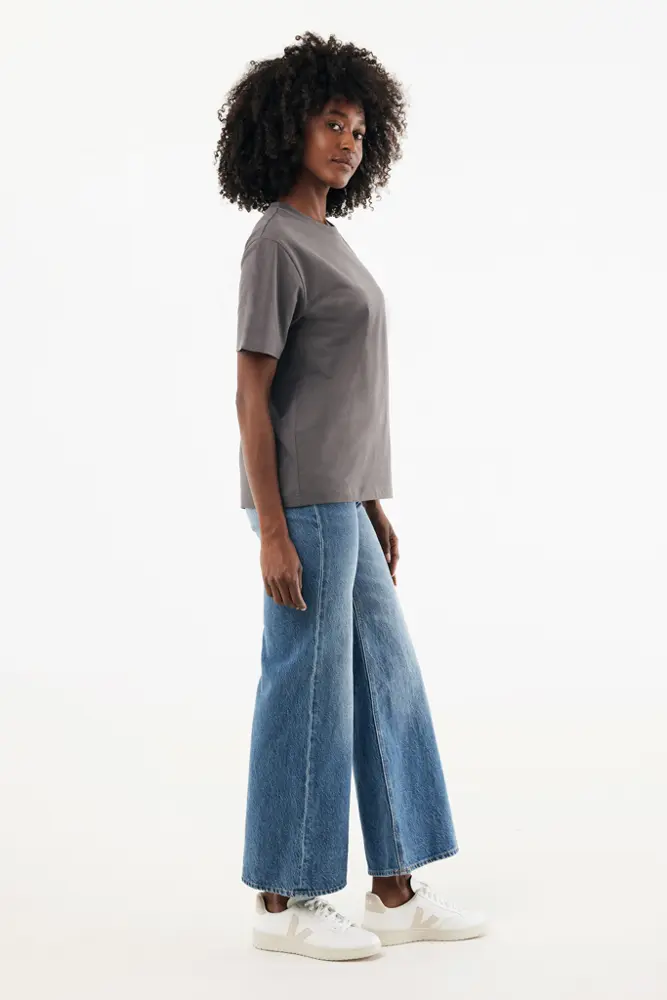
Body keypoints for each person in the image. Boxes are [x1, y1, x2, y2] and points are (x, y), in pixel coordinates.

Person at [214, 31, 489, 962]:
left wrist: (371, 501)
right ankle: (282, 899)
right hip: (302, 509)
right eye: (331, 123)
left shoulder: (328, 240)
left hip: (345, 505)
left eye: (359, 131)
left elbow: (338, 394)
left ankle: (395, 891)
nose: (346, 142)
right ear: (288, 126)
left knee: (386, 680)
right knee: (307, 692)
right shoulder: (274, 244)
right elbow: (252, 395)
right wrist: (272, 530)